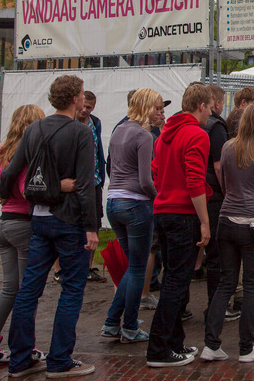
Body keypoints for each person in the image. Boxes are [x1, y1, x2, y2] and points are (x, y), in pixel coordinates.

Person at [0, 75, 99, 378]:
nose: (84, 99)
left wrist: (8, 195)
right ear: (74, 99)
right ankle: (59, 360)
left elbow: (10, 173)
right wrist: (92, 227)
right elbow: (84, 185)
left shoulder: (33, 129)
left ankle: (19, 360)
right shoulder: (81, 132)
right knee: (71, 289)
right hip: (70, 221)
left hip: (39, 219)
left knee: (29, 288)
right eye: (82, 95)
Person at [201, 103, 254, 363]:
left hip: (227, 219)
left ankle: (211, 344)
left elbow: (223, 179)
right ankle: (246, 347)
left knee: (226, 283)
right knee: (251, 285)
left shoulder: (228, 147)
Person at [0, 104, 48, 366]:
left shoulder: (2, 151)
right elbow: (28, 190)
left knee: (10, 289)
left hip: (4, 223)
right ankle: (26, 347)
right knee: (29, 291)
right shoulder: (28, 153)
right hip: (25, 224)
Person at [145, 82, 213, 368]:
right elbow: (194, 180)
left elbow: (156, 173)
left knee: (174, 278)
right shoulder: (197, 135)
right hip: (183, 213)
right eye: (210, 107)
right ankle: (159, 349)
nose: (211, 112)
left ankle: (173, 343)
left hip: (163, 210)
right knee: (176, 282)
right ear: (201, 106)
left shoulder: (165, 135)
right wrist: (205, 221)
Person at [101, 88, 165, 344]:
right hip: (135, 204)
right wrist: (158, 197)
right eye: (158, 107)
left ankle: (113, 322)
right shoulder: (144, 135)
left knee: (132, 267)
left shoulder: (119, 129)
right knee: (138, 269)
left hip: (114, 202)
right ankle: (128, 326)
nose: (161, 113)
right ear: (147, 107)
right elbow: (144, 180)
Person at [198, 84, 232, 320]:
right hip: (212, 196)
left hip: (195, 193)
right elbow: (219, 166)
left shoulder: (187, 125)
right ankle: (216, 307)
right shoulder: (217, 126)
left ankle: (181, 307)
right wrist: (228, 191)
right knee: (216, 255)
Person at [77, 91, 107, 283]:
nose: (85, 110)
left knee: (94, 221)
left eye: (89, 107)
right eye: (83, 106)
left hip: (94, 180)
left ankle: (87, 266)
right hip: (76, 182)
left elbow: (98, 150)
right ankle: (61, 268)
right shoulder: (70, 121)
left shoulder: (94, 122)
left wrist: (101, 176)